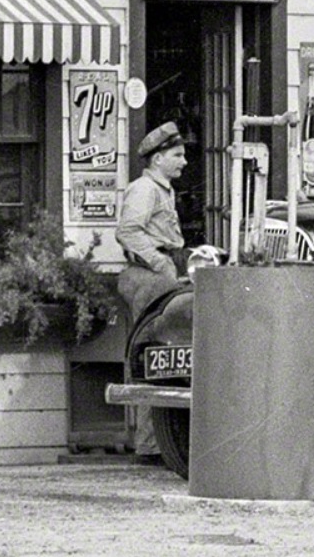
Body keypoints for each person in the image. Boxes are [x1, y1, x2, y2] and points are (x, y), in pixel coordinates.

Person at [116, 121, 187, 466]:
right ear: (158, 159)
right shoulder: (145, 189)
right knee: (153, 353)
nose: (184, 161)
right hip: (147, 275)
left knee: (169, 351)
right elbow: (128, 231)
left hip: (162, 272)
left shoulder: (164, 189)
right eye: (177, 155)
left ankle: (163, 440)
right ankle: (149, 443)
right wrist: (160, 263)